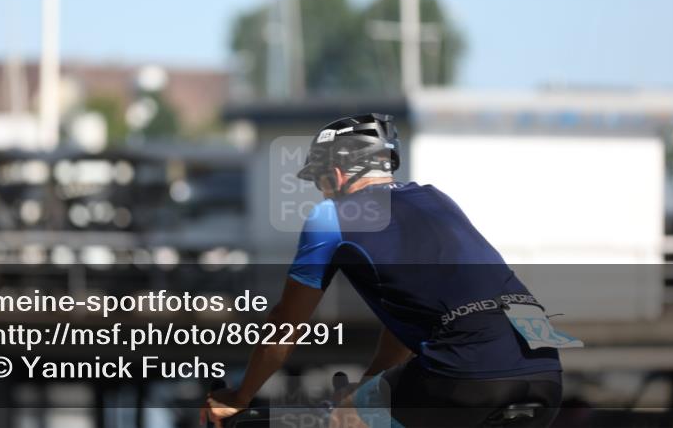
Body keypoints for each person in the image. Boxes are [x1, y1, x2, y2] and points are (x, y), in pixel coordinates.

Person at [202, 113, 570, 428]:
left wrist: (240, 395)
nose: (320, 192)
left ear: (336, 173)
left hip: (464, 373)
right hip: (544, 374)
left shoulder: (332, 217)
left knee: (344, 418)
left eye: (318, 181)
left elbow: (284, 325)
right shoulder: (437, 200)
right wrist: (369, 382)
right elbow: (414, 317)